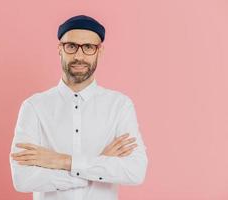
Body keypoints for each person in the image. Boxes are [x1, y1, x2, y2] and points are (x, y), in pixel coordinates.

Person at [9, 14, 148, 200]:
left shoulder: (120, 106)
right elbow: (23, 179)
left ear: (100, 51)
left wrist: (62, 161)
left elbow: (135, 171)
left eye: (89, 47)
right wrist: (97, 165)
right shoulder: (34, 107)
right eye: (71, 46)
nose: (79, 56)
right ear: (60, 49)